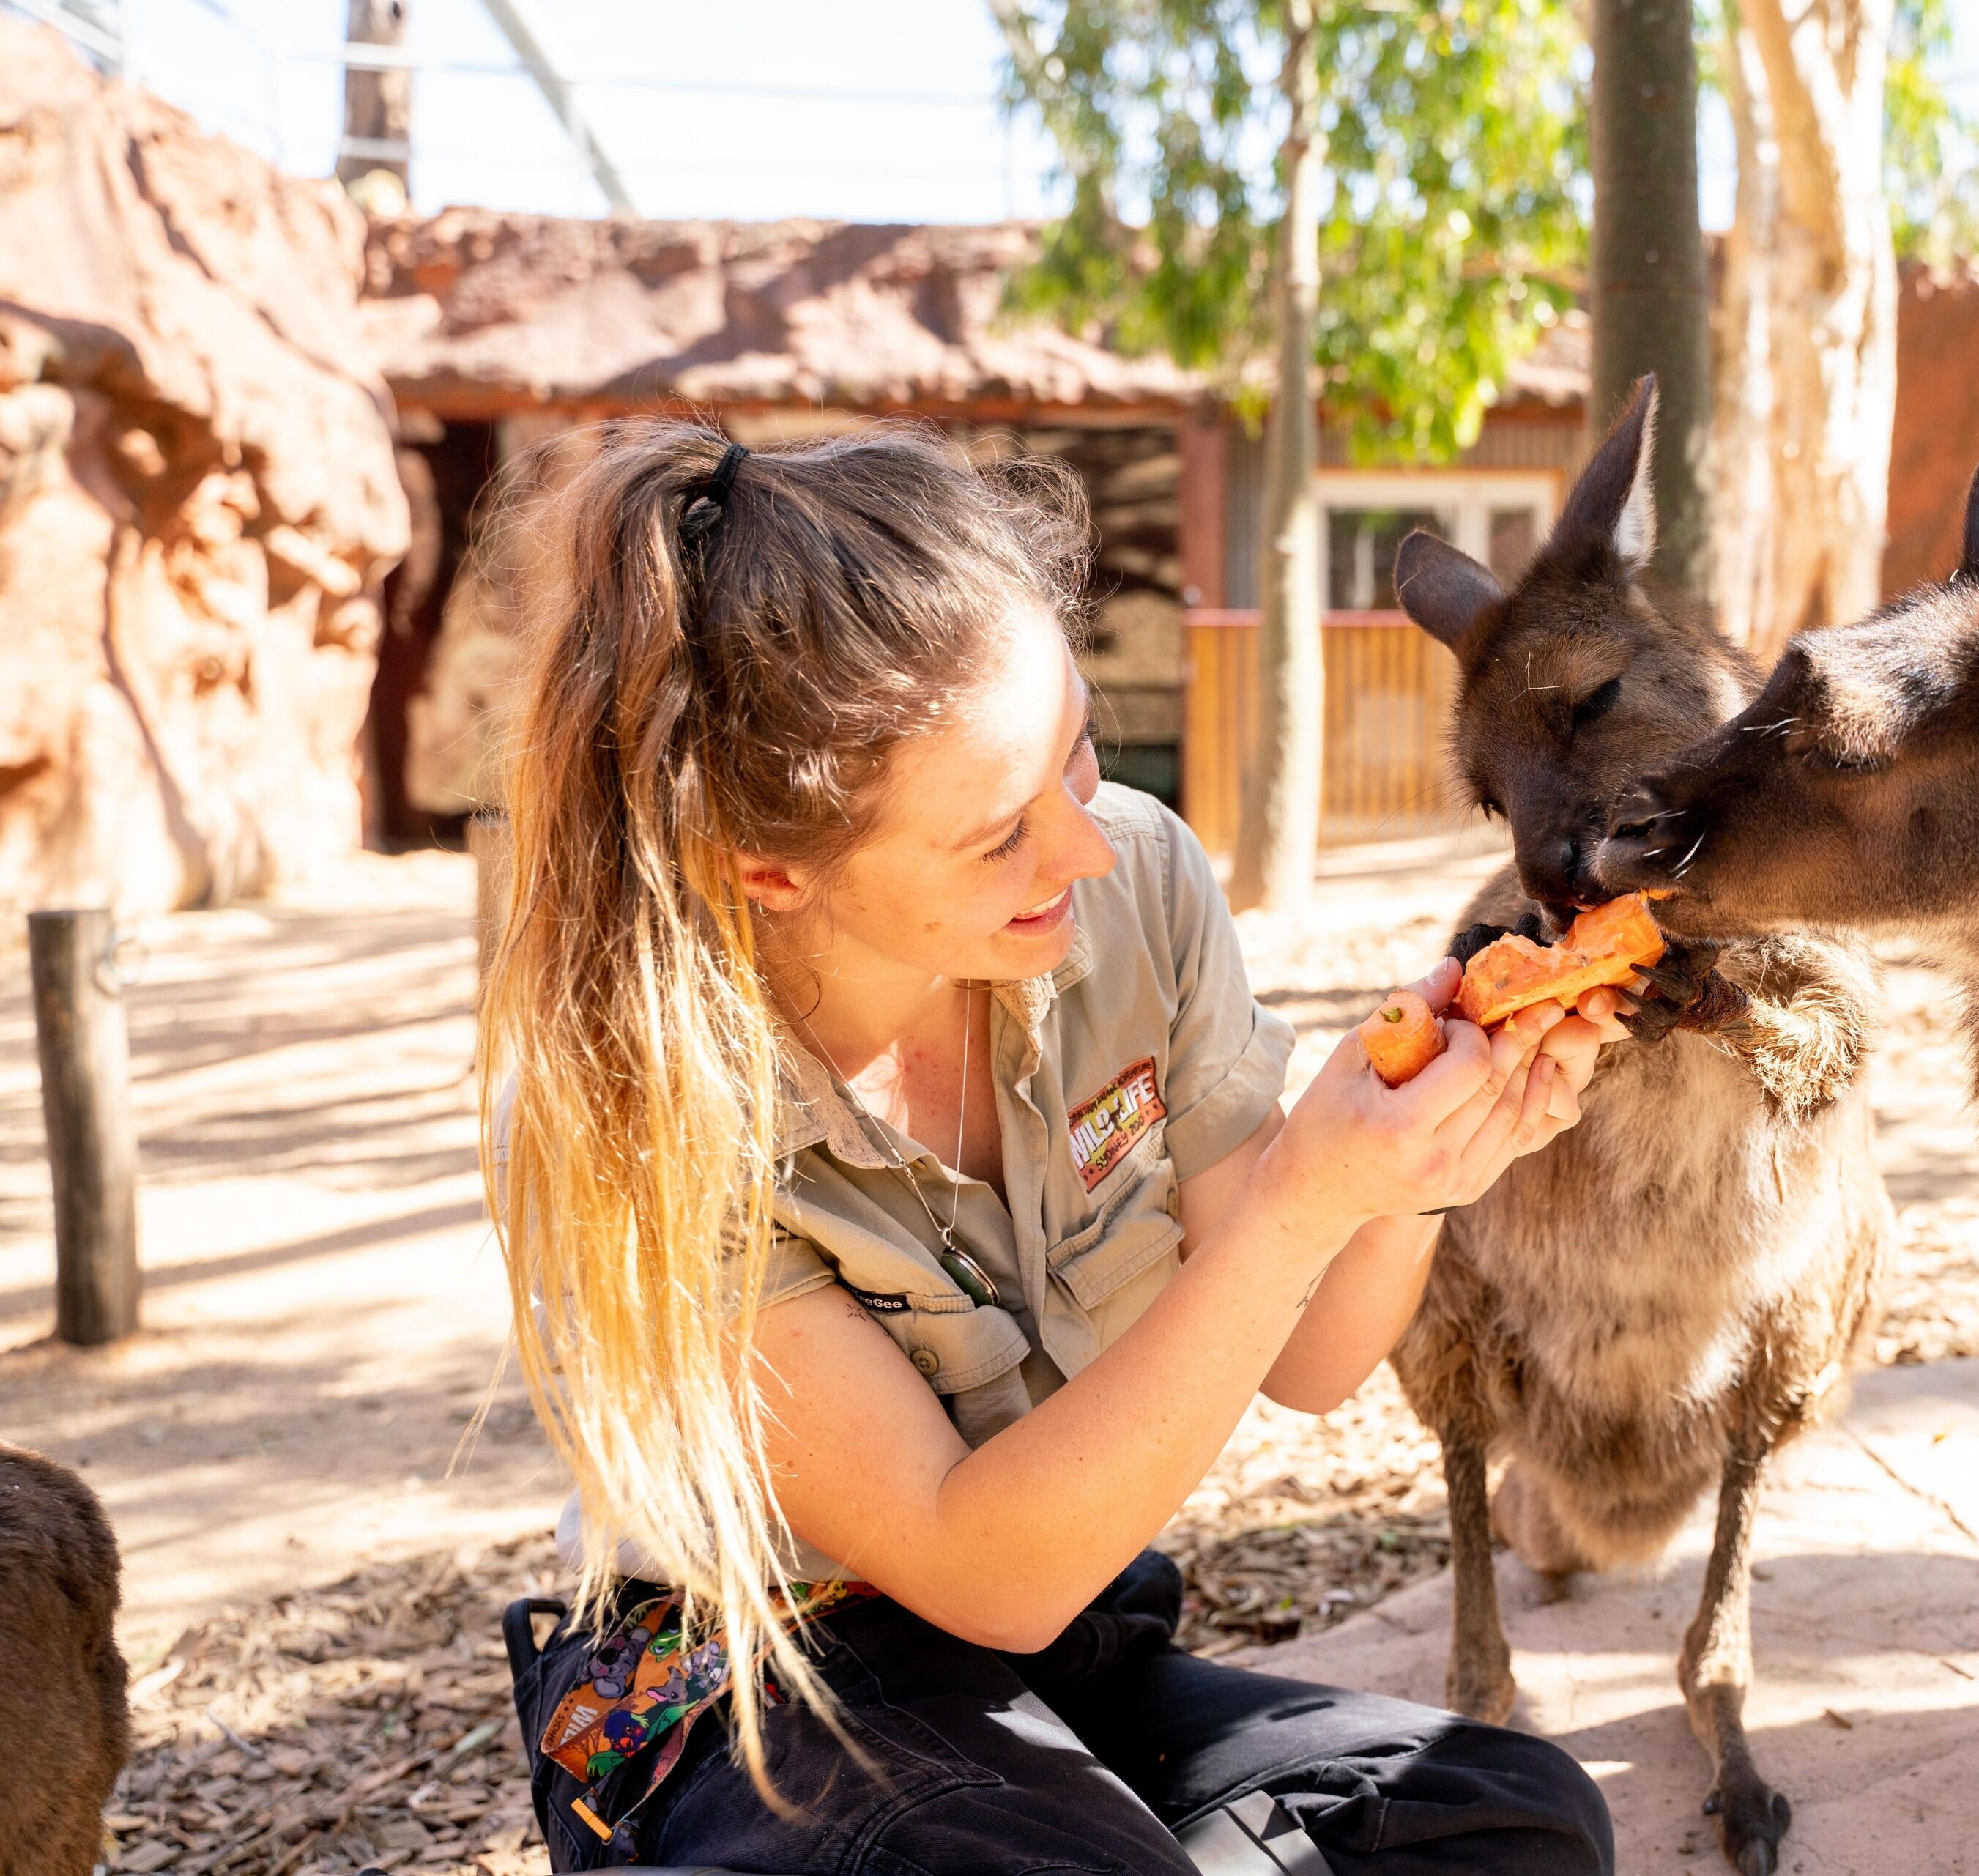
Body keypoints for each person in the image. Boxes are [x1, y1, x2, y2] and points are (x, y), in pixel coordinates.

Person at [480, 418, 1627, 1875]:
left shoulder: (1129, 877)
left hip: (1048, 1660)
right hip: (759, 1683)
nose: (1085, 846)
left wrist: (1415, 1176)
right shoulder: (648, 1101)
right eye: (993, 835)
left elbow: (1317, 1359)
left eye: (1076, 751)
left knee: (1515, 1826)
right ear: (766, 869)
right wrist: (1296, 1206)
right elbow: (981, 1563)